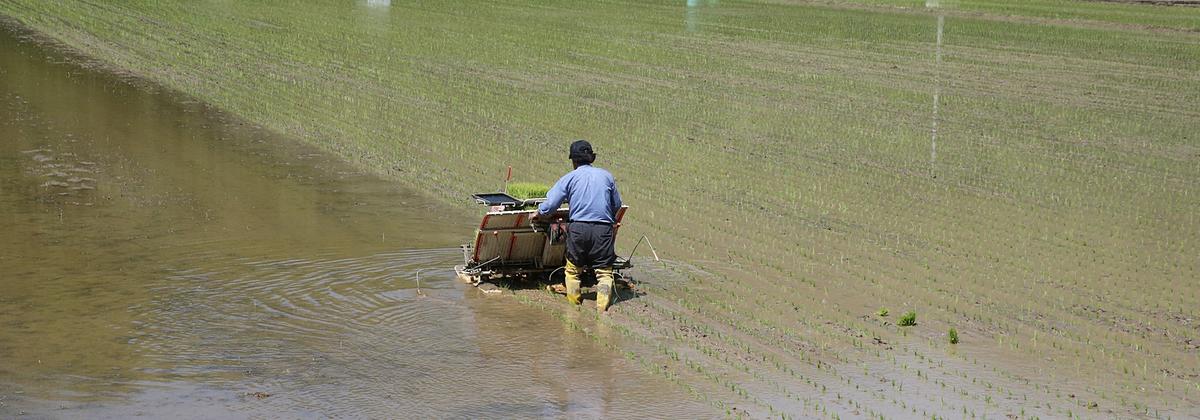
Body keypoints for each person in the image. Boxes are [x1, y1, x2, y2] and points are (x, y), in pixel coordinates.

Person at [534, 140, 623, 311]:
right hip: (603, 229)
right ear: (592, 159)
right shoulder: (607, 176)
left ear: (573, 161)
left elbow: (551, 205)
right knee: (604, 272)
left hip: (578, 229)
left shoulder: (569, 178)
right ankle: (602, 309)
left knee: (573, 270)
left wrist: (538, 213)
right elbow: (617, 204)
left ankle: (574, 307)